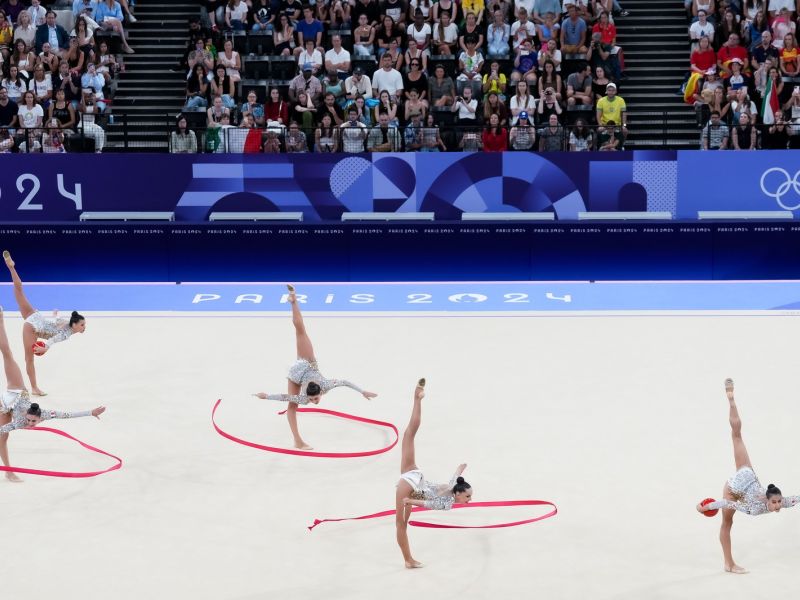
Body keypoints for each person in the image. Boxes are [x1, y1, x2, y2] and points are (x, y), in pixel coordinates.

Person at [254, 286, 376, 449]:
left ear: (320, 391)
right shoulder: (304, 398)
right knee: (300, 331)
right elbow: (284, 397)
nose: (313, 402)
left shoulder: (326, 385)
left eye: (314, 398)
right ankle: (298, 441)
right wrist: (266, 396)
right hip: (300, 369)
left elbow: (345, 382)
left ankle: (292, 301)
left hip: (306, 366)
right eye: (312, 400)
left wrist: (362, 391)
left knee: (300, 331)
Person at [697, 379, 800, 573]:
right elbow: (727, 503)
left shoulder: (781, 501)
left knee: (737, 435)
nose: (778, 506)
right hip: (734, 489)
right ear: (768, 500)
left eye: (778, 502)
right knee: (727, 522)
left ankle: (731, 399)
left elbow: (796, 498)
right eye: (776, 503)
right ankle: (729, 563)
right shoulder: (753, 509)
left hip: (747, 472)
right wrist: (705, 507)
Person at [0, 306, 105, 483]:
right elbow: (66, 415)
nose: (32, 424)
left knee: (3, 436)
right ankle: (0, 318)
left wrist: (91, 412)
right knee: (7, 353)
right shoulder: (22, 420)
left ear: (40, 417)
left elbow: (67, 415)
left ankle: (8, 472)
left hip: (4, 406)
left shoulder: (36, 417)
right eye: (31, 421)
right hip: (16, 391)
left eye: (33, 422)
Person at [395, 379, 472, 569]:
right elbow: (427, 503)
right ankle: (408, 560)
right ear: (459, 493)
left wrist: (460, 469)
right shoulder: (448, 502)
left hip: (414, 480)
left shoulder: (453, 490)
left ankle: (417, 396)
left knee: (409, 434)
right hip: (413, 486)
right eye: (468, 496)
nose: (469, 500)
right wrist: (409, 502)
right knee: (400, 524)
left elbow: (448, 484)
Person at [3, 251, 86, 396]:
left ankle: (11, 267)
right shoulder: (66, 333)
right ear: (75, 325)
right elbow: (53, 340)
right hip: (32, 327)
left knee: (19, 290)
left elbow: (56, 322)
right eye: (82, 325)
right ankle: (34, 388)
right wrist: (45, 348)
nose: (84, 327)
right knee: (29, 360)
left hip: (35, 315)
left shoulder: (67, 322)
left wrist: (55, 314)